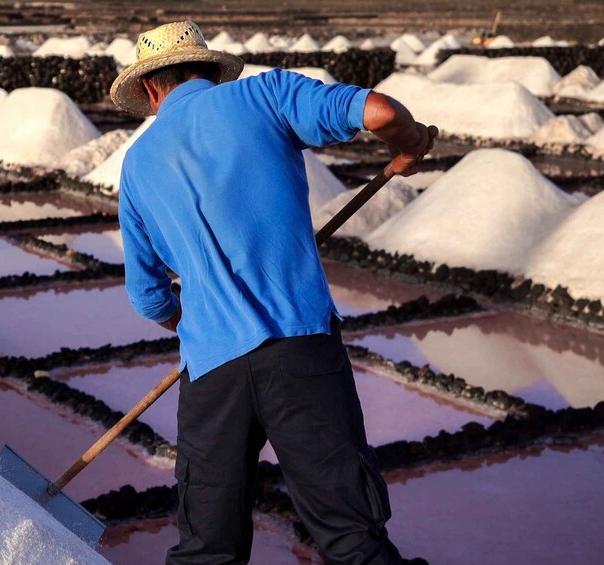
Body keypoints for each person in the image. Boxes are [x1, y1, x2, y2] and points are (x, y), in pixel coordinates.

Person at [110, 21, 435, 565]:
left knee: (206, 551)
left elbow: (148, 298)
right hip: (302, 352)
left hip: (211, 374)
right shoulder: (263, 94)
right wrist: (409, 146)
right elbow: (381, 114)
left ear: (149, 89)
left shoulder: (137, 166)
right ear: (212, 70)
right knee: (352, 539)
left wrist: (199, 324)